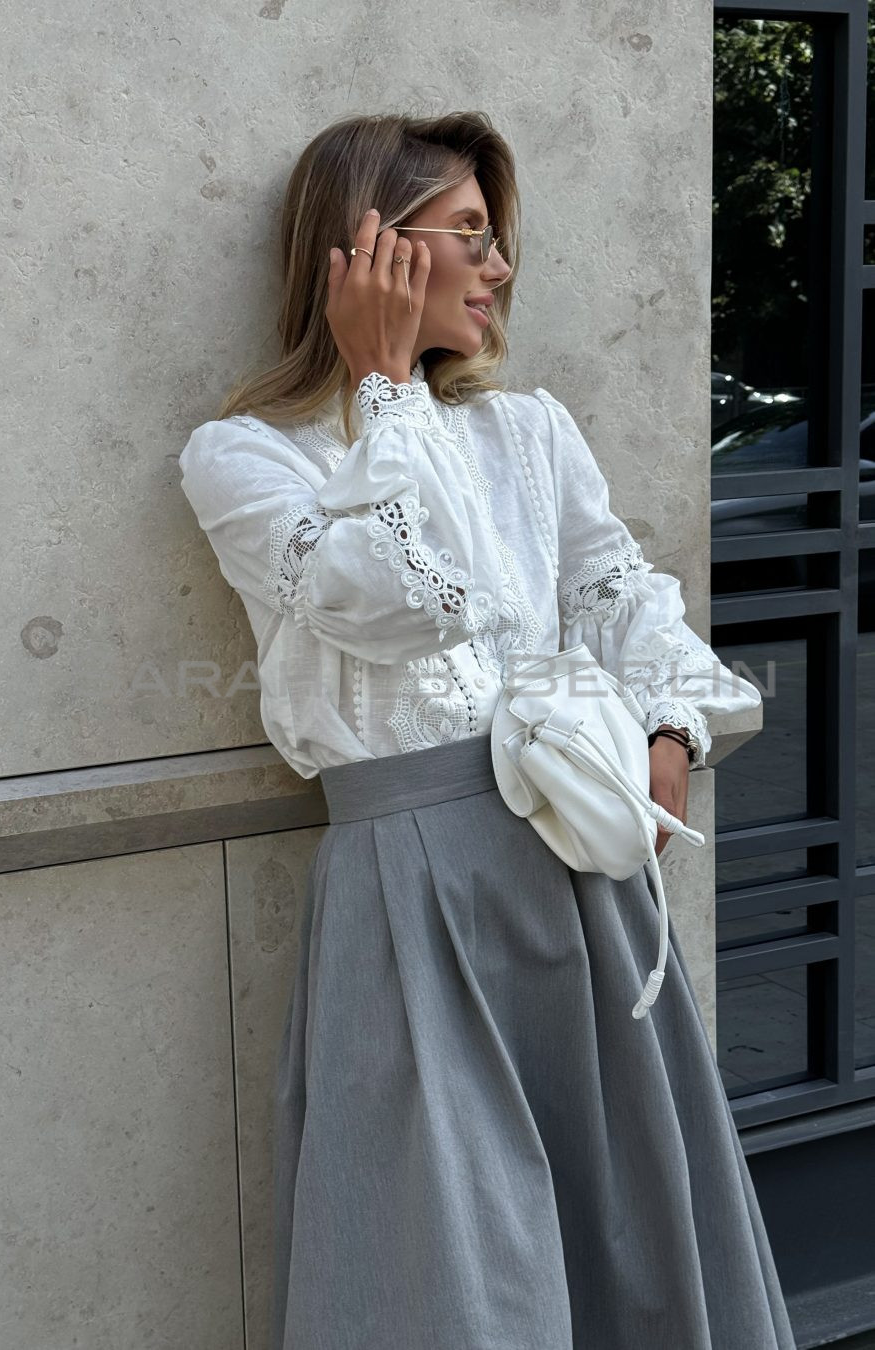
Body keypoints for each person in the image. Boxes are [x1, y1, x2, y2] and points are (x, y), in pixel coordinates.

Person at [178, 111, 797, 1350]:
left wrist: (668, 734)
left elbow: (625, 595)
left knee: (627, 1232)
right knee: (452, 1266)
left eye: (494, 234)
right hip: (414, 894)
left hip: (585, 882)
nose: (501, 266)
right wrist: (383, 388)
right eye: (468, 233)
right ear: (367, 253)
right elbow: (401, 601)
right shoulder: (243, 458)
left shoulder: (529, 432)